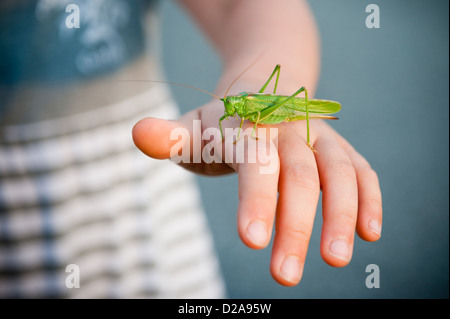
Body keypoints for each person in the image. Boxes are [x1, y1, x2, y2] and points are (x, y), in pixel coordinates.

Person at [0, 0, 382, 298]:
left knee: (285, 98)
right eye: (234, 109)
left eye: (235, 109)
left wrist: (254, 81)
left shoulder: (244, 106)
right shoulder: (238, 112)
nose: (234, 112)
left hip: (166, 250)